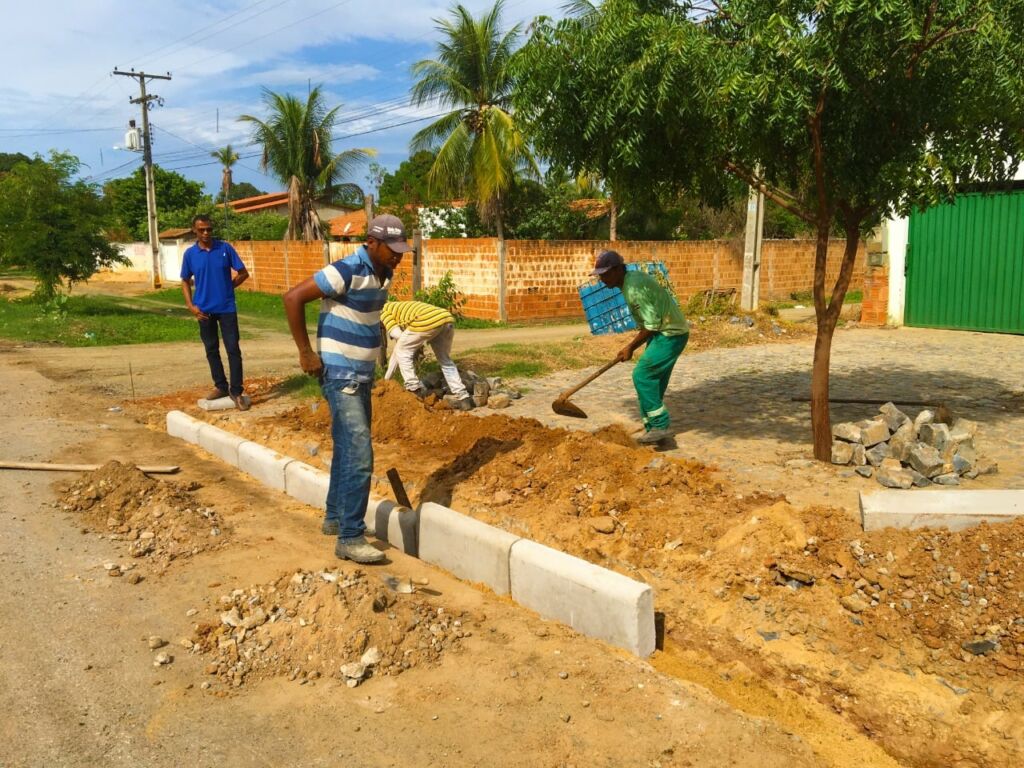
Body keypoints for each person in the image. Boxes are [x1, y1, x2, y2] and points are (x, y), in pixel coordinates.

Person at [282, 214, 411, 564]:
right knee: (359, 453)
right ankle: (350, 537)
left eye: (402, 250)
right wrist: (306, 353)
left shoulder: (384, 272)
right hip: (341, 372)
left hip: (362, 373)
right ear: (372, 242)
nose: (398, 256)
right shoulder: (347, 268)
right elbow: (292, 298)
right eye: (392, 249)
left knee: (346, 447)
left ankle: (336, 517)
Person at [592, 250, 689, 445]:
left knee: (642, 375)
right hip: (666, 330)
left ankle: (660, 425)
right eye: (600, 275)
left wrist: (630, 347)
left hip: (669, 334)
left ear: (618, 269)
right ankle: (652, 429)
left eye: (605, 274)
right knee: (653, 382)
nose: (602, 279)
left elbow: (651, 324)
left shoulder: (633, 287)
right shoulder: (630, 280)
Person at [181, 214, 250, 410]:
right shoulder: (190, 254)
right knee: (211, 350)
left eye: (209, 229)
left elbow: (243, 273)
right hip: (203, 310)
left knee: (233, 349)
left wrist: (229, 287)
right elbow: (185, 280)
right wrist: (190, 306)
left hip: (227, 308)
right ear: (194, 230)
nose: (206, 233)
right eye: (201, 229)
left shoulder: (225, 249)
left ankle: (236, 392)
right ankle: (220, 386)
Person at [381, 300, 474, 410]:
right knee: (445, 360)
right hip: (446, 318)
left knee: (403, 351)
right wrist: (386, 380)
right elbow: (400, 347)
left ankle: (414, 389)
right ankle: (463, 397)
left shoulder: (382, 311)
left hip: (426, 320)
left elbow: (398, 337)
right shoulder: (396, 307)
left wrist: (384, 382)